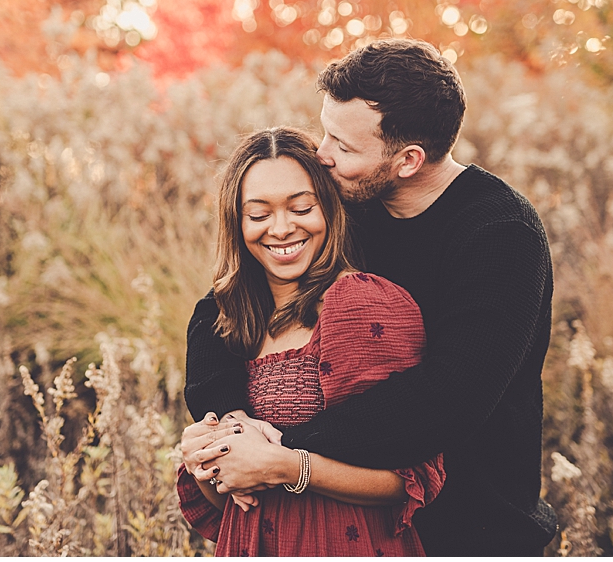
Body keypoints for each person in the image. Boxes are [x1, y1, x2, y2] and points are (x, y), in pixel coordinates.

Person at [184, 39, 558, 555]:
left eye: (343, 144)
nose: (322, 154)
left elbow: (446, 400)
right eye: (325, 131)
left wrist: (279, 451)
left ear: (407, 160)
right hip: (342, 523)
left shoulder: (499, 235)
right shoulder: (351, 206)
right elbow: (220, 310)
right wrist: (231, 423)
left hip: (471, 526)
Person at [176, 127, 445, 556]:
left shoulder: (359, 303)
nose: (281, 229)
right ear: (236, 222)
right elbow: (232, 505)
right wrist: (205, 464)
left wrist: (288, 467)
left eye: (301, 207)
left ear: (330, 209)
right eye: (259, 215)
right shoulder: (228, 321)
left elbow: (409, 478)